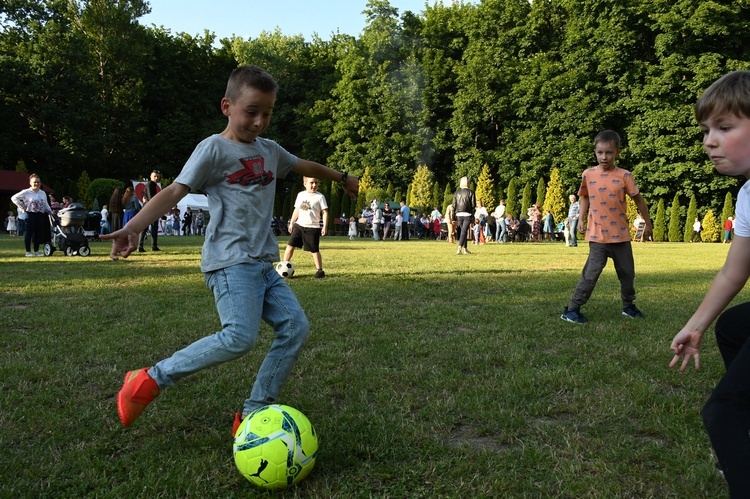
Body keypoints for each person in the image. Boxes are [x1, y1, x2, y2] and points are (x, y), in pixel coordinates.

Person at [102, 65, 359, 432]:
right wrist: (133, 226)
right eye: (251, 111)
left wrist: (342, 177)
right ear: (227, 105)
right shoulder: (213, 148)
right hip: (228, 262)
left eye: (267, 113)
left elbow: (304, 163)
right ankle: (149, 379)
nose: (259, 121)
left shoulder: (270, 151)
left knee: (295, 328)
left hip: (261, 264)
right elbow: (176, 190)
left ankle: (255, 411)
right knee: (239, 335)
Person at [667, 70, 750, 497]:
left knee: (723, 412)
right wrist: (695, 326)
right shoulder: (748, 194)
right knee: (733, 327)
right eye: (706, 130)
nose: (709, 141)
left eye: (724, 127)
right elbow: (734, 271)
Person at [560, 130, 652, 324]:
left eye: (609, 152)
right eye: (600, 152)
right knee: (591, 274)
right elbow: (584, 196)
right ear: (595, 152)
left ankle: (629, 307)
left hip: (621, 236)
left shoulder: (625, 175)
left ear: (617, 152)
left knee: (627, 274)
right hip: (598, 237)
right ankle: (572, 310)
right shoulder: (589, 174)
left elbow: (639, 200)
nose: (604, 157)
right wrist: (582, 218)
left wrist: (648, 222)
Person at [283, 176, 329, 277]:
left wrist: (324, 226)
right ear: (305, 184)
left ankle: (320, 270)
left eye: (316, 183)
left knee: (314, 249)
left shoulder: (320, 197)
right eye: (311, 183)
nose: (314, 185)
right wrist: (292, 222)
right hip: (299, 226)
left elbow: (325, 212)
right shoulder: (301, 195)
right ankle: (284, 265)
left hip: (313, 228)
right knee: (290, 245)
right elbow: (297, 210)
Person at [11, 174, 52, 257]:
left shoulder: (42, 193)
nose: (36, 184)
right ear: (30, 183)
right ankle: (28, 251)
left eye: (38, 182)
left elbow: (46, 204)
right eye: (34, 182)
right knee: (29, 233)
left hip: (40, 214)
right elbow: (14, 198)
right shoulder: (26, 192)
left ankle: (36, 251)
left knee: (38, 233)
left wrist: (50, 211)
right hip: (30, 214)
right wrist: (22, 205)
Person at [138, 170, 162, 252]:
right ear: (150, 176)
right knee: (146, 228)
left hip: (150, 208)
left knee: (152, 228)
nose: (157, 178)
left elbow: (147, 197)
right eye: (155, 176)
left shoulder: (152, 185)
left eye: (158, 176)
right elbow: (151, 199)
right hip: (150, 209)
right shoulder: (150, 185)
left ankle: (152, 246)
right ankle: (141, 246)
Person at [452, 176, 476, 255]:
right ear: (468, 183)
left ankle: (465, 249)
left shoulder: (457, 192)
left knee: (463, 231)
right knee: (464, 231)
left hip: (458, 214)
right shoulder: (471, 192)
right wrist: (473, 215)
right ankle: (459, 248)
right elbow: (473, 205)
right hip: (467, 214)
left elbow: (454, 205)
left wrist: (453, 217)